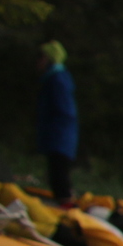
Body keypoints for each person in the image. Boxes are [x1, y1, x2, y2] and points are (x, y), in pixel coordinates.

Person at [36, 39, 79, 204]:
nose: (38, 61)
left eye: (41, 57)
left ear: (48, 59)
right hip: (58, 136)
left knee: (60, 176)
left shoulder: (57, 80)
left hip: (60, 137)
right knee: (57, 175)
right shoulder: (53, 79)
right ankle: (64, 204)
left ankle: (68, 210)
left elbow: (66, 112)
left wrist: (54, 132)